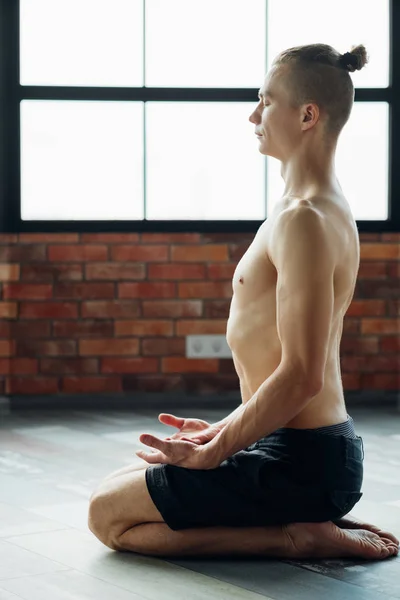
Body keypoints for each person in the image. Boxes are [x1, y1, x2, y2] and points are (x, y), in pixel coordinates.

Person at [88, 43, 399, 560]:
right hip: (295, 448)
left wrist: (218, 449)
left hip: (302, 461)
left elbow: (302, 373)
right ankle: (308, 518)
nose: (253, 115)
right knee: (128, 477)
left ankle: (297, 536)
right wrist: (224, 430)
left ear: (307, 114)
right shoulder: (314, 206)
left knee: (106, 515)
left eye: (265, 100)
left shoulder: (305, 219)